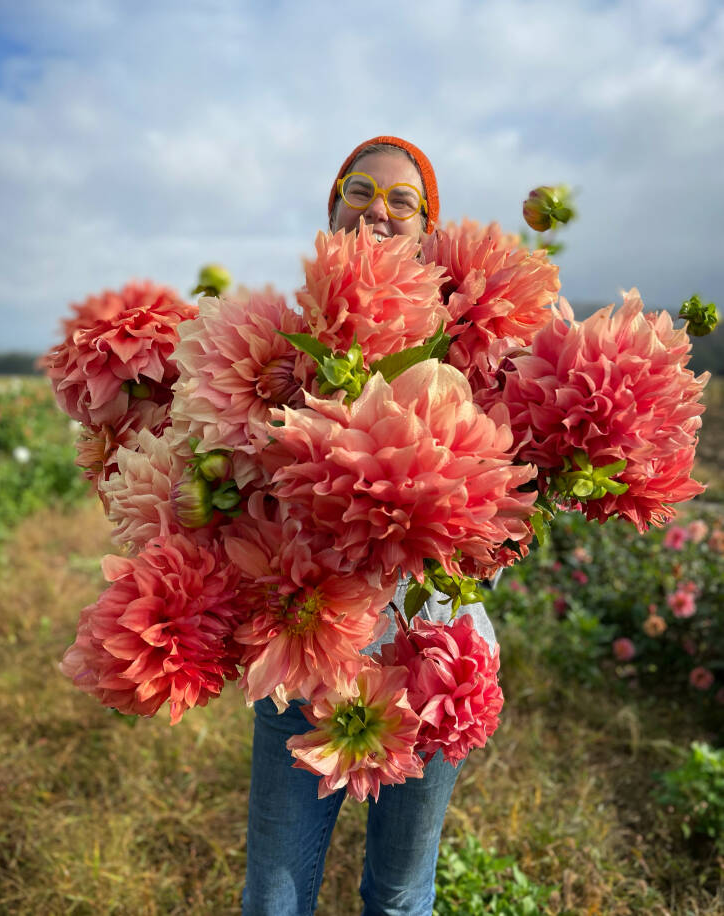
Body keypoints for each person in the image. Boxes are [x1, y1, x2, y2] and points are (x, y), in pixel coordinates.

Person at [241, 136, 497, 916]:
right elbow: (235, 485)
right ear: (332, 208)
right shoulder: (278, 341)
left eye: (401, 199)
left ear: (427, 229)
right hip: (307, 659)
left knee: (398, 895)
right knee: (274, 898)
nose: (377, 209)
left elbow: (505, 503)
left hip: (434, 662)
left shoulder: (474, 344)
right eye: (358, 190)